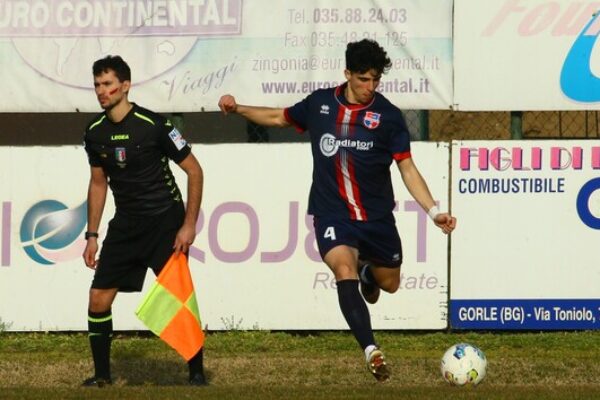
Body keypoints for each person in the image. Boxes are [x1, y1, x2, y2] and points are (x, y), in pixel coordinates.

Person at [218, 39, 456, 382]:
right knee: (342, 267)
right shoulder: (320, 104)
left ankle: (368, 276)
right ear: (347, 74)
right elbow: (277, 117)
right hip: (333, 215)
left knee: (389, 284)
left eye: (375, 80)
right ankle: (371, 350)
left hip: (376, 219)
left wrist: (434, 212)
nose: (369, 87)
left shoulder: (387, 116)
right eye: (363, 79)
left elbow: (407, 168)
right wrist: (238, 108)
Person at [82, 55, 206, 387]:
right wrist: (91, 235)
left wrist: (188, 224)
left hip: (165, 222)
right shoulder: (94, 133)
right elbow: (98, 183)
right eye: (97, 85)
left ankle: (196, 373)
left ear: (125, 86)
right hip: (126, 225)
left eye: (107, 84)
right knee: (98, 298)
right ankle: (102, 376)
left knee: (179, 297)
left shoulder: (155, 125)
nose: (101, 91)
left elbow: (194, 170)